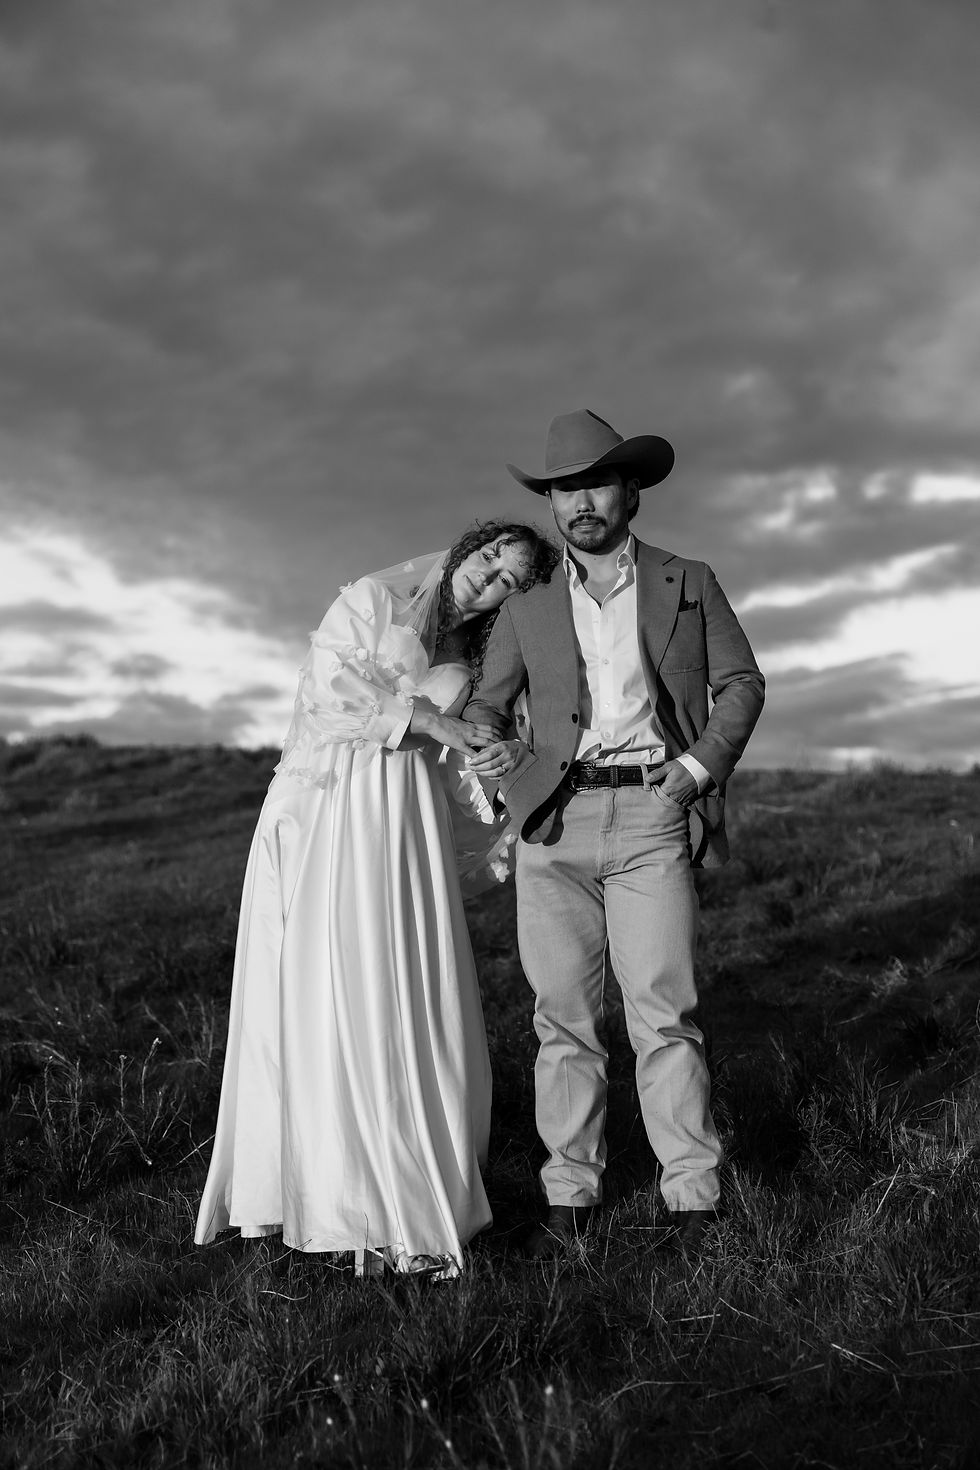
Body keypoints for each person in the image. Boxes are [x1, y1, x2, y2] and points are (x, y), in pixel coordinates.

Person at [195, 519, 558, 1279]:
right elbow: (331, 691)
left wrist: (490, 759)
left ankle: (415, 1188)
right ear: (470, 545)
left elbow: (476, 747)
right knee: (334, 985)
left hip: (408, 821)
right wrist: (430, 719)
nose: (488, 578)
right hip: (338, 808)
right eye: (491, 557)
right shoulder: (371, 598)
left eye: (508, 580)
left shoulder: (484, 655)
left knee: (408, 990)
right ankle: (328, 1192)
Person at [463, 410, 765, 1257]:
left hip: (652, 813)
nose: (579, 503)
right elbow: (488, 706)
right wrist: (501, 770)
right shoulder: (527, 607)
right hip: (551, 826)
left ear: (630, 491)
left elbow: (742, 683)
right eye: (563, 490)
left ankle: (693, 1198)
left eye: (595, 484)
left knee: (663, 1013)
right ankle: (572, 1194)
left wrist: (697, 769)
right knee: (562, 1018)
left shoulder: (689, 580)